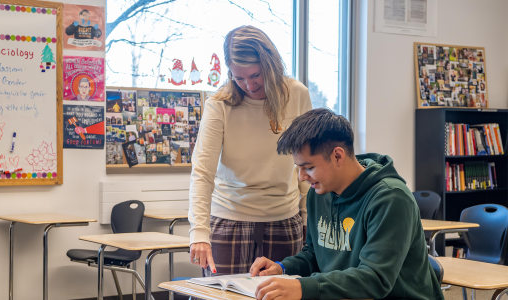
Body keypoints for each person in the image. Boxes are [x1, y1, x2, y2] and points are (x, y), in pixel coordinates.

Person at [249, 108, 444, 300]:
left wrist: (303, 287)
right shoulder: (319, 192)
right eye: (299, 168)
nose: (301, 177)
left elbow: (375, 279)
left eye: (309, 167)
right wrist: (283, 268)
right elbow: (315, 254)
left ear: (337, 156)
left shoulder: (391, 198)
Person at [189, 25, 312, 276]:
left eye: (255, 75)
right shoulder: (219, 104)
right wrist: (199, 232)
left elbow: (308, 162)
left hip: (285, 219)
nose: (249, 85)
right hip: (229, 220)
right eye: (239, 77)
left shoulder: (296, 94)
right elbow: (202, 172)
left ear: (271, 65)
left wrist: (309, 216)